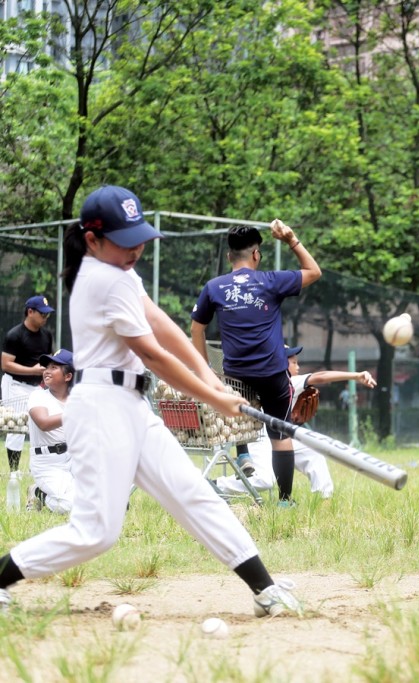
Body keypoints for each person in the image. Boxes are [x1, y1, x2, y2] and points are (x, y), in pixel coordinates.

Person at [0, 185, 298, 617]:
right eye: (124, 240)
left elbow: (160, 321)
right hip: (102, 409)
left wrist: (205, 374)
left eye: (138, 236)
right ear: (92, 241)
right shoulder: (102, 279)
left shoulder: (120, 271)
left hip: (132, 406)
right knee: (97, 533)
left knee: (194, 493)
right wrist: (213, 395)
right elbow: (152, 352)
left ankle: (265, 589)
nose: (135, 247)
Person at [191, 223, 321, 505]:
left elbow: (197, 328)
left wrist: (205, 370)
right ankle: (285, 500)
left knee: (238, 411)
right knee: (279, 432)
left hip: (237, 373)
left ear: (229, 258)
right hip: (273, 374)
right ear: (256, 255)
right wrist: (291, 239)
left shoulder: (214, 287)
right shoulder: (270, 281)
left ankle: (244, 454)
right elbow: (314, 272)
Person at [214, 344, 376, 499]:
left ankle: (324, 500)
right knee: (264, 480)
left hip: (280, 438)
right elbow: (320, 376)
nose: (298, 367)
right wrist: (356, 375)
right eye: (293, 362)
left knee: (313, 454)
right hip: (258, 439)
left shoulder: (286, 381)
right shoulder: (284, 381)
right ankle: (215, 485)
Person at [2, 295, 55, 474]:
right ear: (30, 312)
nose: (45, 318)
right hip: (15, 384)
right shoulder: (15, 335)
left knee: (39, 426)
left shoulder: (46, 335)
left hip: (37, 387)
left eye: (47, 315)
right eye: (42, 314)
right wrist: (32, 371)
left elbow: (48, 360)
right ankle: (14, 472)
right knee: (16, 426)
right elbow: (6, 364)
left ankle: (37, 469)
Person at [25, 349, 75, 514]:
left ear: (68, 376)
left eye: (54, 367)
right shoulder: (38, 396)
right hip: (47, 463)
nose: (46, 370)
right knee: (72, 505)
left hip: (74, 460)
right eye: (46, 366)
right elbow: (44, 423)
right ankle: (40, 494)